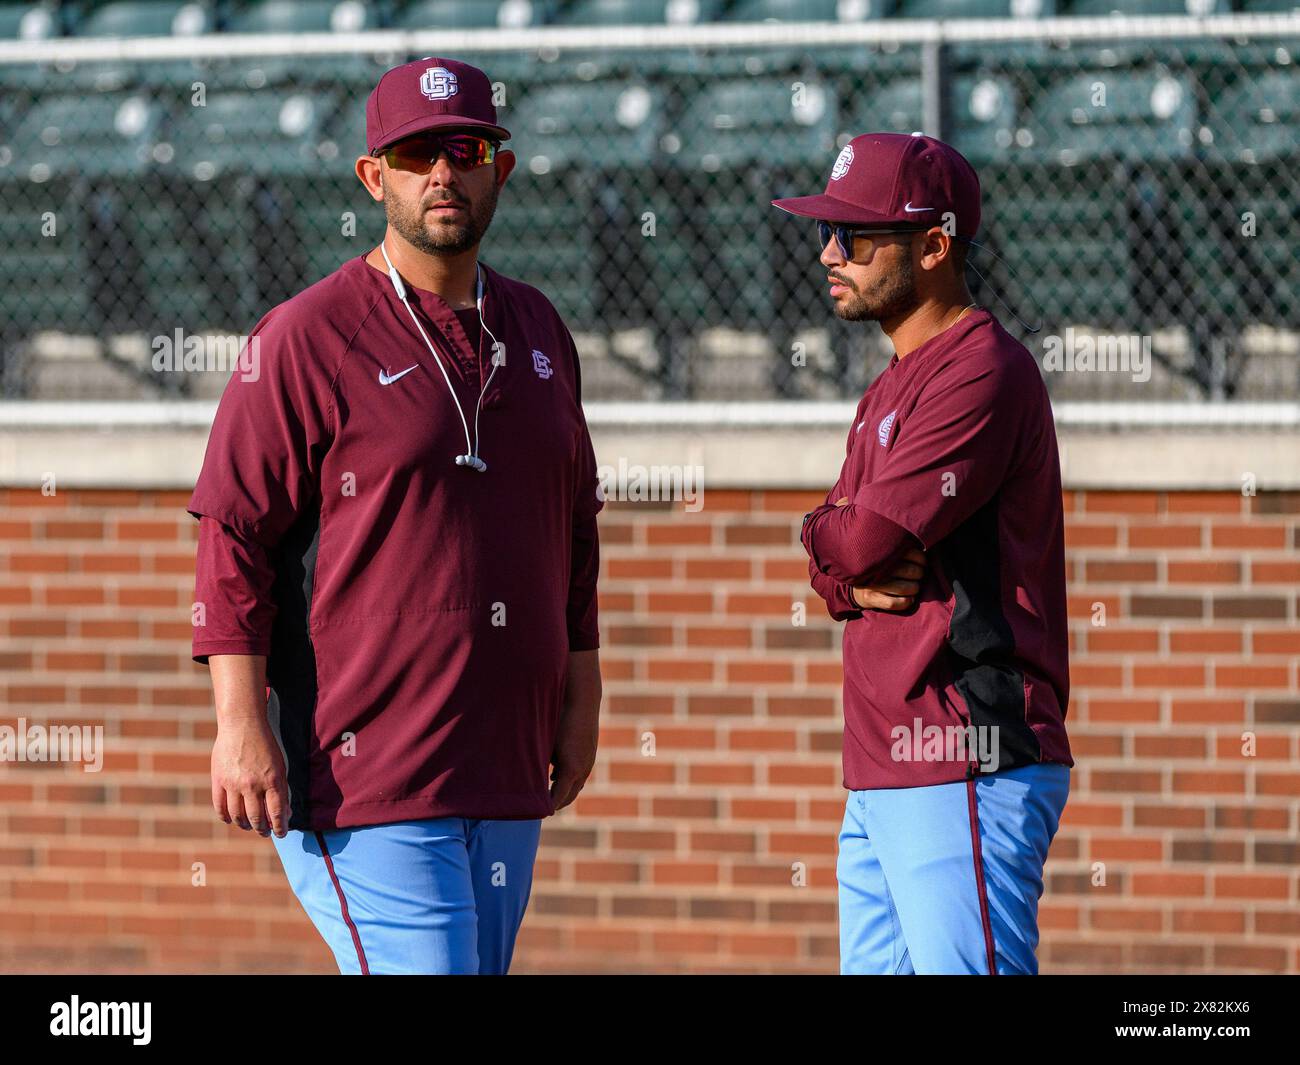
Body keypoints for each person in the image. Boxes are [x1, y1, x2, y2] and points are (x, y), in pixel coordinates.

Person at [188, 57, 603, 975]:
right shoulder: (304, 335)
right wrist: (239, 720)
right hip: (364, 768)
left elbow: (575, 524)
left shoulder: (539, 329)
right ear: (375, 176)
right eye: (418, 154)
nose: (443, 173)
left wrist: (584, 688)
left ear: (502, 164)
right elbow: (234, 535)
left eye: (467, 148)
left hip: (502, 758)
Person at [772, 132, 1073, 975]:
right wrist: (828, 549)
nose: (831, 253)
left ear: (935, 245)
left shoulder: (983, 371)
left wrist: (832, 538)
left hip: (960, 753)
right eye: (825, 232)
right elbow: (839, 553)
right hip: (883, 766)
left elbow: (861, 537)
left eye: (856, 236)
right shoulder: (887, 383)